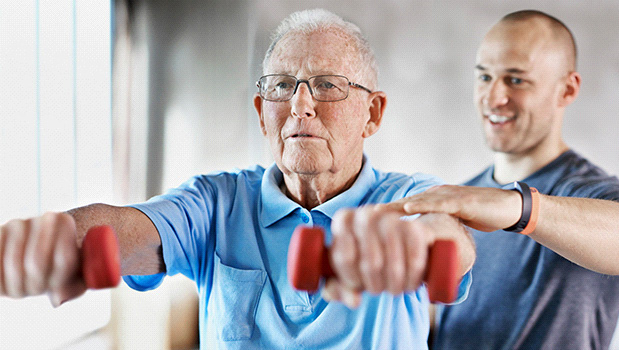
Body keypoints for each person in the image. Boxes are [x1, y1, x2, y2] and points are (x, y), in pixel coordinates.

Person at [0, 9, 475, 349]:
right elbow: (130, 229)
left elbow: (448, 236)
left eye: (327, 84)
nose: (300, 105)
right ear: (262, 114)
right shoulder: (216, 202)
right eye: (281, 87)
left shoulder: (406, 196)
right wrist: (64, 236)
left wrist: (415, 246)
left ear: (372, 113)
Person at [388, 10, 619, 350]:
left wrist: (519, 208)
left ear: (566, 90)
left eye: (516, 80)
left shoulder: (591, 194)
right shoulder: (462, 200)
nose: (493, 98)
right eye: (485, 77)